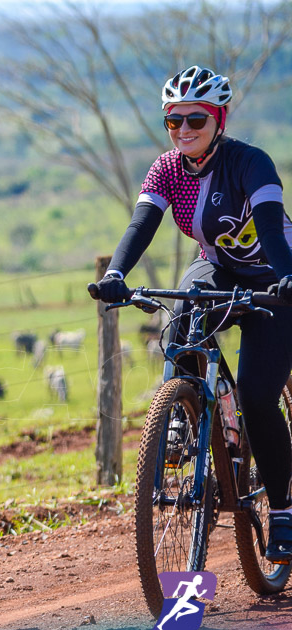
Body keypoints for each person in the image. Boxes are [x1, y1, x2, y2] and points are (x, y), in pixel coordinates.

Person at [91, 66, 292, 561]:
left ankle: (284, 510)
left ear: (219, 119)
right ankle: (185, 414)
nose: (184, 130)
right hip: (219, 267)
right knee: (179, 320)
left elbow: (269, 227)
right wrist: (116, 273)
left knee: (258, 394)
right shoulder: (167, 170)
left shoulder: (250, 162)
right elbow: (143, 223)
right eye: (173, 121)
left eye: (195, 119)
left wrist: (286, 277)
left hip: (276, 277)